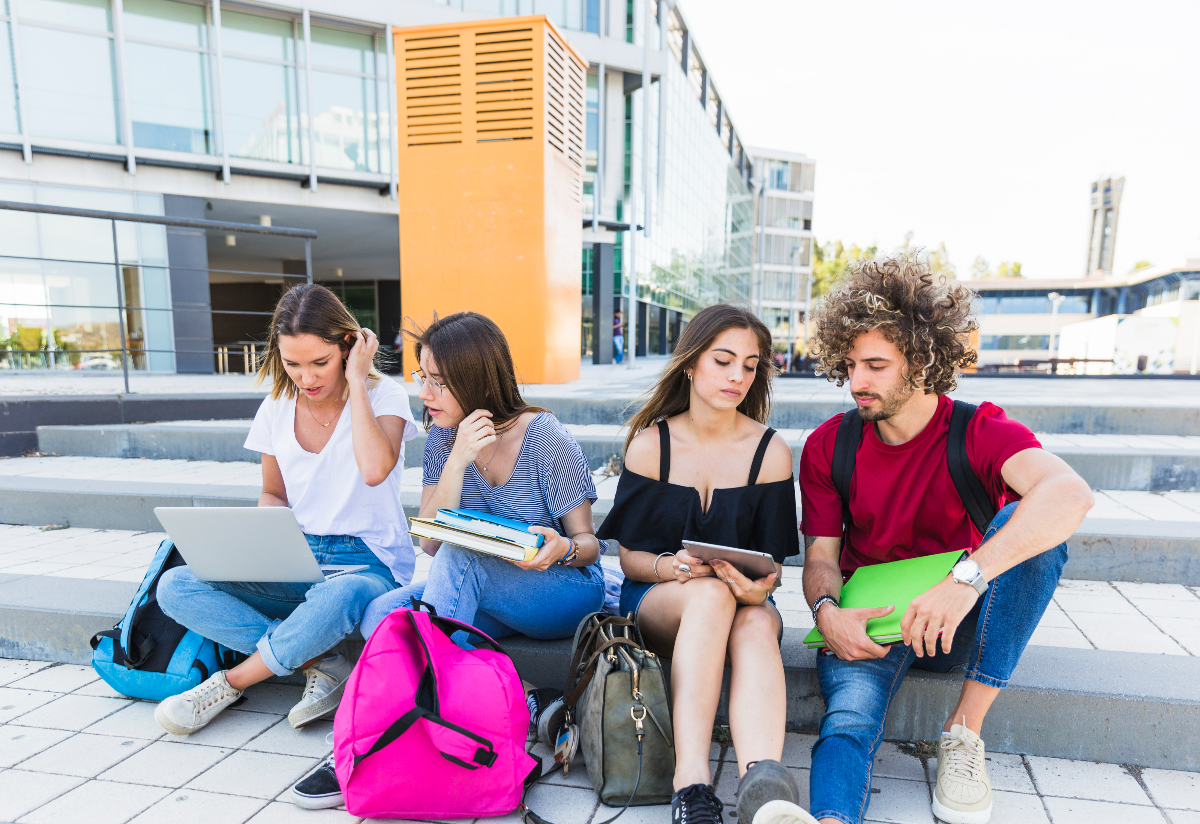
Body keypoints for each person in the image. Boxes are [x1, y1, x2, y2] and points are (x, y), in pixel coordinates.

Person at [797, 256, 1093, 824]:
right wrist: (827, 610)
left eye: (877, 365)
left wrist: (964, 581)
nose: (857, 381)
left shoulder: (978, 430)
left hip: (959, 623)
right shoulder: (828, 446)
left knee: (1032, 530)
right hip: (871, 621)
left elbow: (1070, 495)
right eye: (852, 364)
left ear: (925, 360)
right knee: (848, 723)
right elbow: (820, 558)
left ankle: (963, 731)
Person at [291, 311, 605, 809]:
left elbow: (589, 546)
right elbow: (431, 544)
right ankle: (521, 696)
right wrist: (458, 459)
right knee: (384, 615)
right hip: (483, 591)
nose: (425, 393)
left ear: (476, 380)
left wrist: (558, 547)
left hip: (561, 589)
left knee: (463, 559)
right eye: (423, 378)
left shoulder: (545, 437)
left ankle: (396, 730)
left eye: (438, 382)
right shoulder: (444, 438)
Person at [155, 284, 418, 737]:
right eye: (292, 364)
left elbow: (375, 469)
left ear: (347, 346)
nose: (307, 378)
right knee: (175, 586)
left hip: (368, 562)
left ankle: (229, 683)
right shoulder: (275, 407)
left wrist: (356, 380)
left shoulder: (383, 396)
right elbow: (274, 494)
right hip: (297, 556)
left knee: (336, 597)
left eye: (320, 362)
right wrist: (264, 537)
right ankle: (320, 661)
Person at [597, 303, 815, 824]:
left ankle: (764, 784)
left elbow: (772, 568)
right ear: (691, 364)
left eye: (750, 364)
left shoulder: (771, 452)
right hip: (661, 601)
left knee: (760, 619)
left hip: (740, 604)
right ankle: (691, 783)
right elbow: (629, 558)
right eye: (723, 361)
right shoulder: (653, 445)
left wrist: (756, 589)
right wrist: (675, 569)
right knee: (710, 594)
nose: (738, 376)